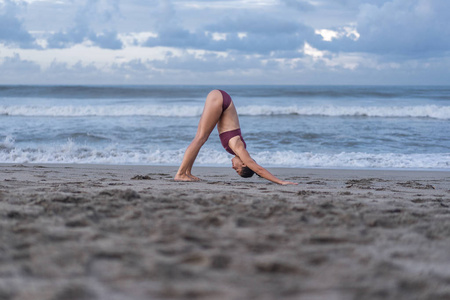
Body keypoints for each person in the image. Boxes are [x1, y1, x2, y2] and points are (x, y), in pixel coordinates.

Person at [174, 90, 297, 185]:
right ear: (244, 164)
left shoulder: (238, 148)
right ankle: (180, 174)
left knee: (200, 138)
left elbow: (253, 166)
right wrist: (280, 182)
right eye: (237, 169)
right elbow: (258, 169)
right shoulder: (239, 148)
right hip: (220, 100)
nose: (233, 167)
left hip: (221, 99)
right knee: (200, 139)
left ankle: (187, 172)